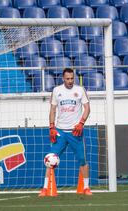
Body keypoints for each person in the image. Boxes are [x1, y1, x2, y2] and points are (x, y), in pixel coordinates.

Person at [39, 68, 92, 196]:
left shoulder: (80, 90)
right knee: (50, 159)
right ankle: (45, 188)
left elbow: (87, 108)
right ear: (63, 78)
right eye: (67, 79)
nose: (70, 81)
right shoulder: (57, 91)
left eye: (72, 78)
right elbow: (52, 110)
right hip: (60, 132)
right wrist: (51, 127)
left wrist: (81, 123)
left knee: (82, 160)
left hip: (75, 132)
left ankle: (86, 187)